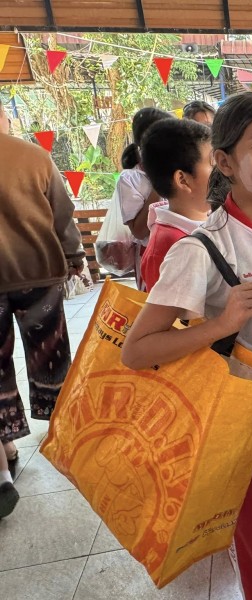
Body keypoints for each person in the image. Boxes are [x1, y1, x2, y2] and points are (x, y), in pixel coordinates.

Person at [121, 92, 252, 599]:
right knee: (250, 520)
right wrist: (220, 325)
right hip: (240, 401)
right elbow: (136, 350)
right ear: (225, 162)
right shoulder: (201, 249)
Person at [0, 102, 85, 518]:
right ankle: (62, 433)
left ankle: (6, 447)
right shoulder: (34, 156)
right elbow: (62, 214)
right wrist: (74, 255)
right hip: (38, 273)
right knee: (50, 353)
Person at [138, 118, 213, 291]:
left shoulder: (212, 222)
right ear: (183, 180)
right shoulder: (168, 247)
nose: (225, 171)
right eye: (213, 164)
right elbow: (169, 311)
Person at [117, 107, 176, 289]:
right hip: (152, 255)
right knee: (156, 303)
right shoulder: (130, 179)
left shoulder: (182, 169)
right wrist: (160, 181)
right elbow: (139, 231)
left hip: (183, 248)